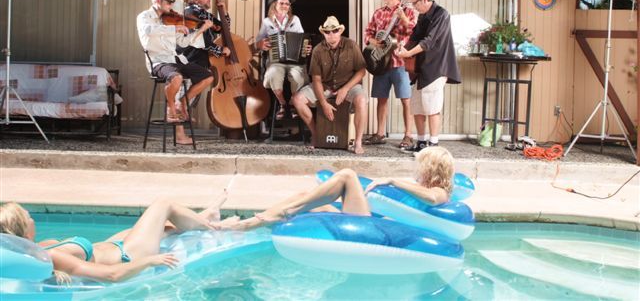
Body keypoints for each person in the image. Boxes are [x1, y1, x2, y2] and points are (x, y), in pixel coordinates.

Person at [0, 195, 231, 283]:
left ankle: (205, 217)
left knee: (166, 227)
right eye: (28, 216)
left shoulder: (37, 249)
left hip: (114, 245)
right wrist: (149, 261)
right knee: (163, 205)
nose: (32, 216)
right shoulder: (51, 255)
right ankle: (215, 225)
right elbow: (112, 275)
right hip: (127, 255)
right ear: (24, 230)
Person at [216, 146, 454, 231]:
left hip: (374, 229)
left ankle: (281, 214)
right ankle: (251, 224)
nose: (416, 169)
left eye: (420, 164)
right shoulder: (421, 186)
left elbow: (433, 199)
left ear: (431, 168)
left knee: (348, 176)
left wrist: (392, 181)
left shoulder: (441, 191)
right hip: (376, 221)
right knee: (305, 198)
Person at [136, 0, 221, 145]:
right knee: (176, 78)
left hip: (175, 60)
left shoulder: (170, 18)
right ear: (158, 1)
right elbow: (148, 31)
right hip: (158, 62)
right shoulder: (144, 17)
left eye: (173, 1)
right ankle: (171, 109)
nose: (172, 5)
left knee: (208, 77)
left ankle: (181, 103)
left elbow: (183, 42)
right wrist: (174, 27)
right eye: (170, 1)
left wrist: (201, 29)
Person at [396, 0, 461, 153]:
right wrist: (403, 47)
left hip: (437, 67)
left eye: (415, 3)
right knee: (417, 107)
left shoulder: (442, 14)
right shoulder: (423, 16)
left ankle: (433, 145)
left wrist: (408, 53)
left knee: (432, 107)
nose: (414, 7)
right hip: (421, 67)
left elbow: (428, 42)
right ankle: (421, 143)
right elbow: (415, 36)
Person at [291, 16, 368, 154]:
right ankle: (316, 135)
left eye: (335, 31)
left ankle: (358, 142)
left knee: (361, 100)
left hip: (348, 85)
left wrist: (345, 88)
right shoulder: (318, 50)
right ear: (324, 33)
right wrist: (323, 103)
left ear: (340, 31)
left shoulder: (351, 45)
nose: (331, 34)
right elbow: (316, 79)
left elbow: (362, 71)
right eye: (327, 32)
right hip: (326, 86)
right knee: (297, 99)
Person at [363, 0, 417, 149]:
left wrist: (403, 18)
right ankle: (380, 134)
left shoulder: (407, 11)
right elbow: (368, 34)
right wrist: (375, 42)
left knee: (406, 99)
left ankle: (408, 135)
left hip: (400, 62)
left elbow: (414, 31)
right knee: (381, 99)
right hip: (381, 62)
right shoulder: (378, 12)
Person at [254, 0, 312, 120]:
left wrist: (306, 48)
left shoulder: (295, 20)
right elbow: (258, 42)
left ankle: (293, 103)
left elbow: (302, 39)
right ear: (274, 5)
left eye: (287, 4)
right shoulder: (267, 22)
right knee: (273, 74)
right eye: (282, 3)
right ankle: (282, 103)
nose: (285, 6)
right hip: (275, 60)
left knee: (298, 77)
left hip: (294, 61)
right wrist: (261, 44)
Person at [180, 0, 231, 70]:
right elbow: (198, 38)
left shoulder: (205, 14)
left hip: (202, 57)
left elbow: (225, 29)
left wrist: (224, 10)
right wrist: (219, 50)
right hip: (191, 57)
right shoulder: (190, 12)